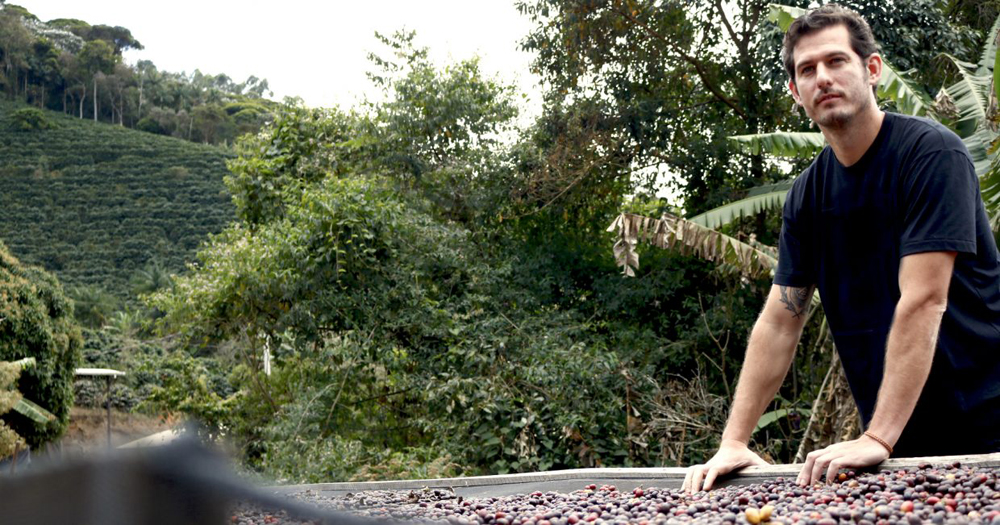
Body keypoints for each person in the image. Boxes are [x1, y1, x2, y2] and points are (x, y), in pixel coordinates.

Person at [683, 3, 1000, 492]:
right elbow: (780, 319)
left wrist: (877, 434)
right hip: (900, 448)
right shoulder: (807, 197)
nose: (822, 78)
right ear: (795, 93)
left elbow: (924, 299)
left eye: (836, 61)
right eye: (807, 70)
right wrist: (734, 441)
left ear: (872, 70)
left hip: (986, 429)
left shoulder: (931, 154)